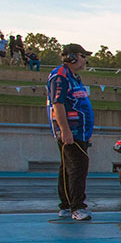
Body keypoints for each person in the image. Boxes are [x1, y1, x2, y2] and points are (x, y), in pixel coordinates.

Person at [45, 44, 95, 220]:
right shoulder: (60, 76)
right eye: (82, 56)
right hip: (70, 131)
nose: (85, 60)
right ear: (72, 57)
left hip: (79, 132)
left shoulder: (74, 77)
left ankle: (66, 205)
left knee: (69, 168)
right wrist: (65, 130)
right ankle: (77, 207)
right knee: (78, 168)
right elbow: (58, 104)